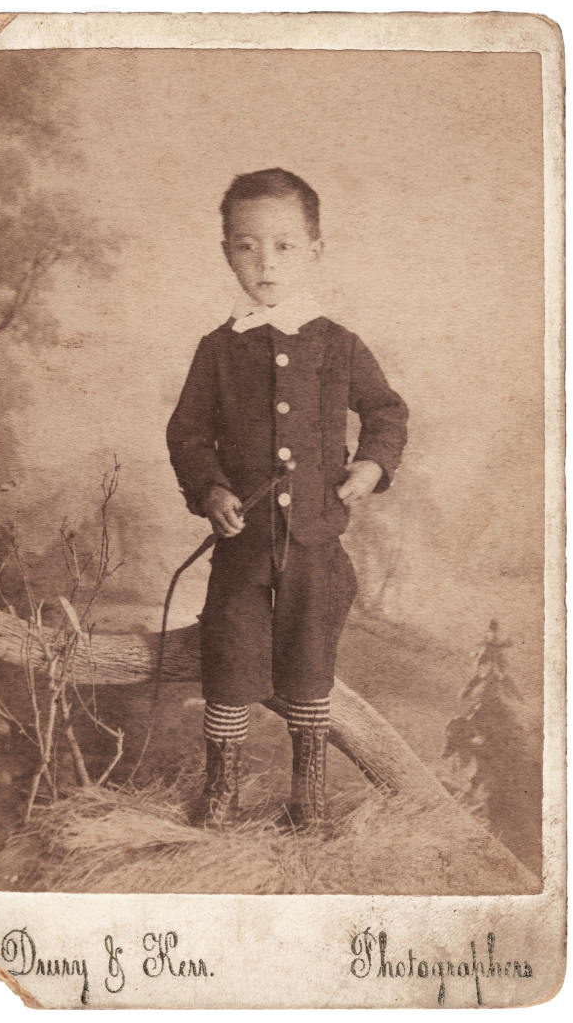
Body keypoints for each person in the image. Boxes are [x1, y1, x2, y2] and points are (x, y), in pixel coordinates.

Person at [167, 168, 408, 833]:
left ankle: (309, 797)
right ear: (227, 253)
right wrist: (211, 489)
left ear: (314, 251)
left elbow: (386, 412)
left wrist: (371, 464)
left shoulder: (338, 344)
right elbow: (188, 434)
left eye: (282, 246)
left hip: (314, 543)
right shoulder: (218, 349)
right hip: (242, 548)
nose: (265, 263)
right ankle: (221, 792)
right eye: (246, 247)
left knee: (308, 666)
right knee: (229, 658)